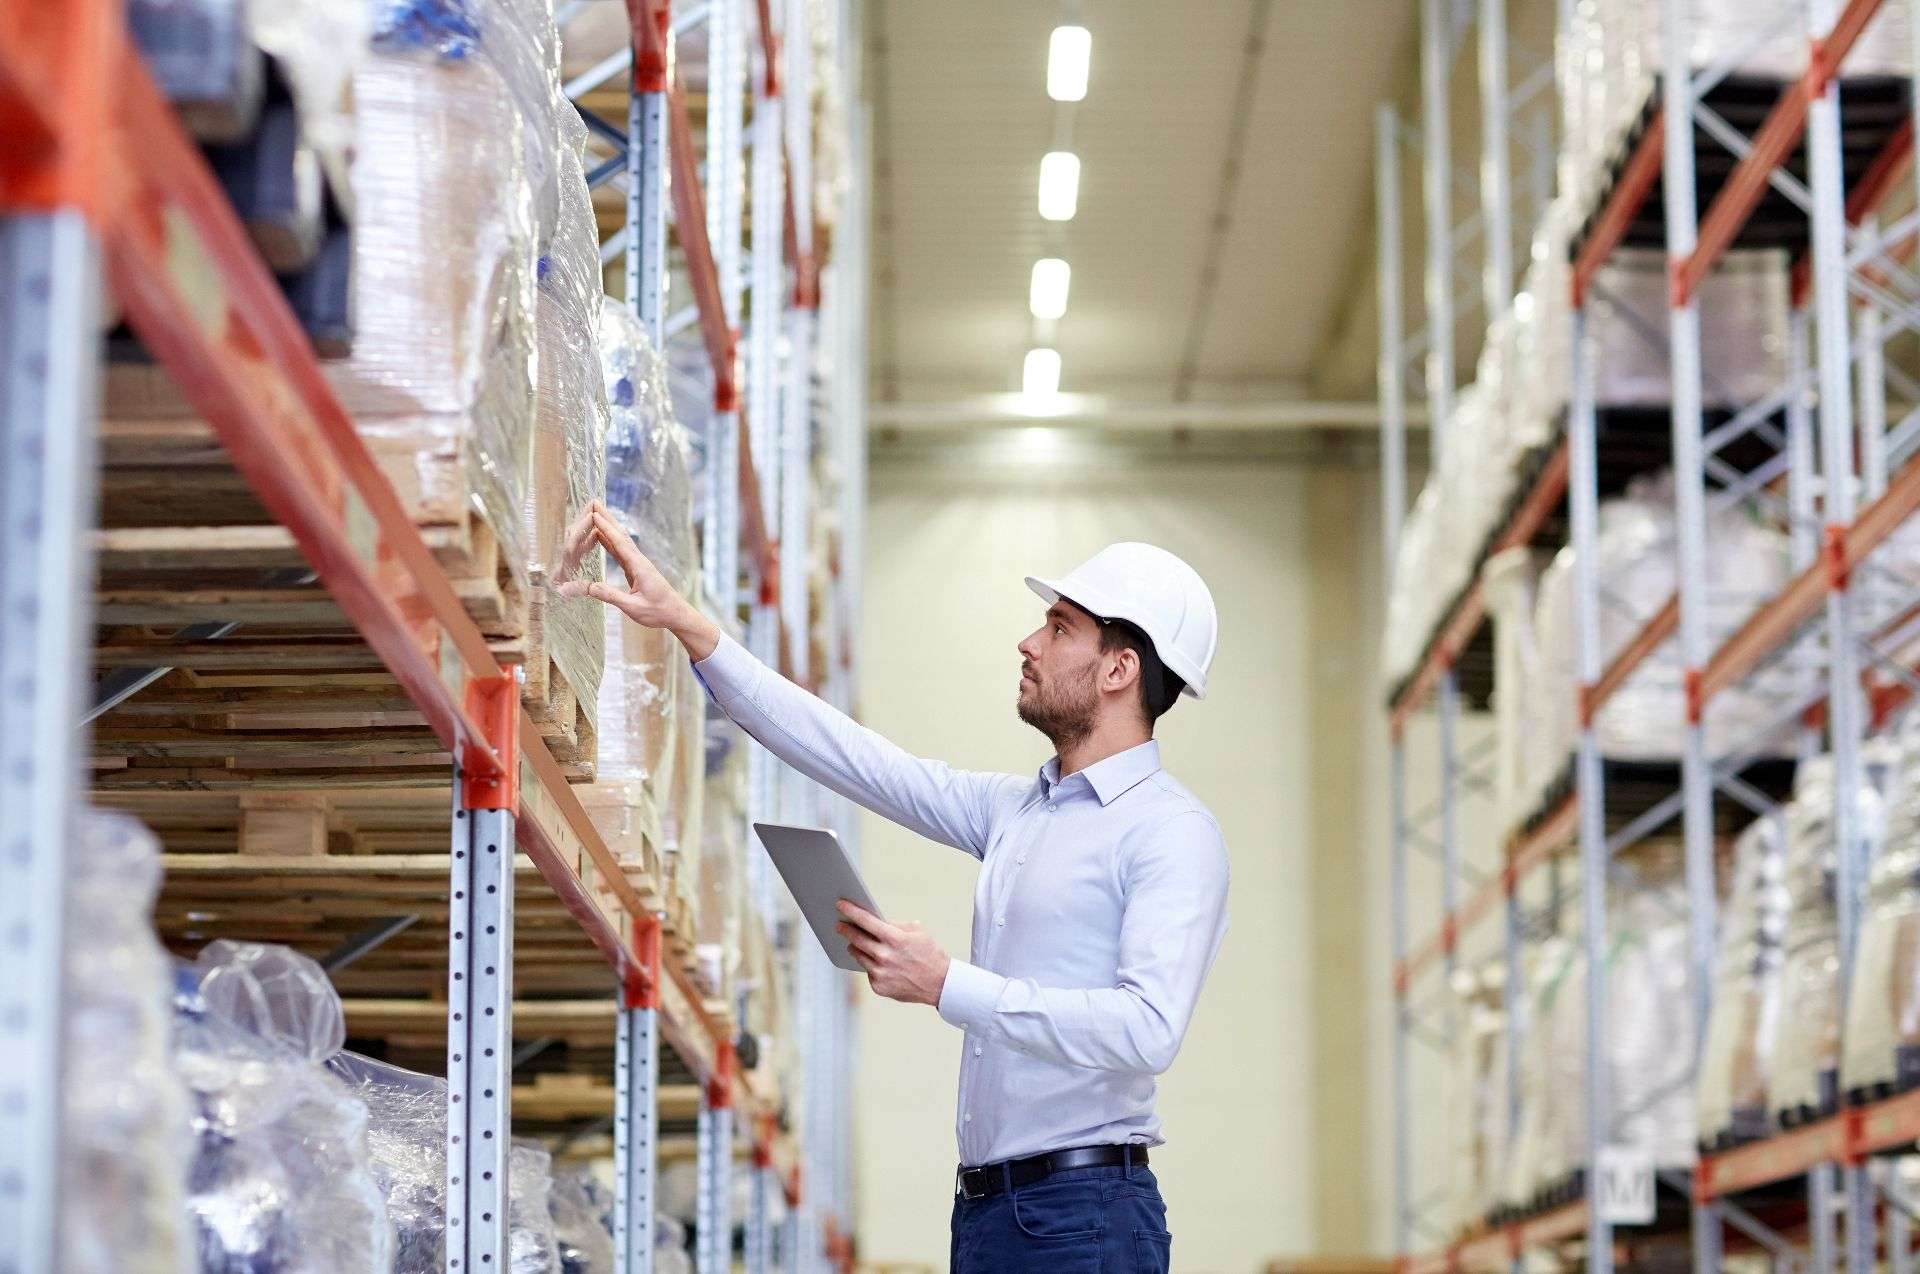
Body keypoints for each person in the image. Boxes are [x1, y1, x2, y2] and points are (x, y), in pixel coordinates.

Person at [564, 506, 1230, 1273]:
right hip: (990, 1213)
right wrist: (688, 625)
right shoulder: (1018, 811)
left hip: (1084, 1217)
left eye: (1058, 627)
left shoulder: (1171, 833)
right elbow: (859, 761)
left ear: (1118, 670)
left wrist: (948, 983)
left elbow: (1148, 1029)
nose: (1028, 642)